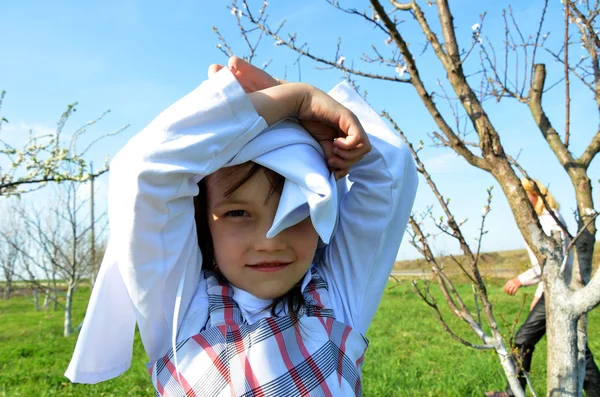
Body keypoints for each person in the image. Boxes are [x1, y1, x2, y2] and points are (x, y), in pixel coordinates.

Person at [65, 56, 418, 396]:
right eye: (237, 213)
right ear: (203, 219)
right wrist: (296, 100)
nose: (270, 240)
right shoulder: (182, 309)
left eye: (297, 213)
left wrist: (290, 99)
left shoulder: (336, 298)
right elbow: (142, 170)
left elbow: (390, 165)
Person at [486, 179, 600, 397]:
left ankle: (512, 392)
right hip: (555, 291)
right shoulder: (547, 219)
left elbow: (551, 263)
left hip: (561, 292)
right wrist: (539, 295)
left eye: (523, 194)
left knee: (523, 339)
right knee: (577, 350)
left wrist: (519, 280)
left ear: (535, 195)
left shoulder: (548, 222)